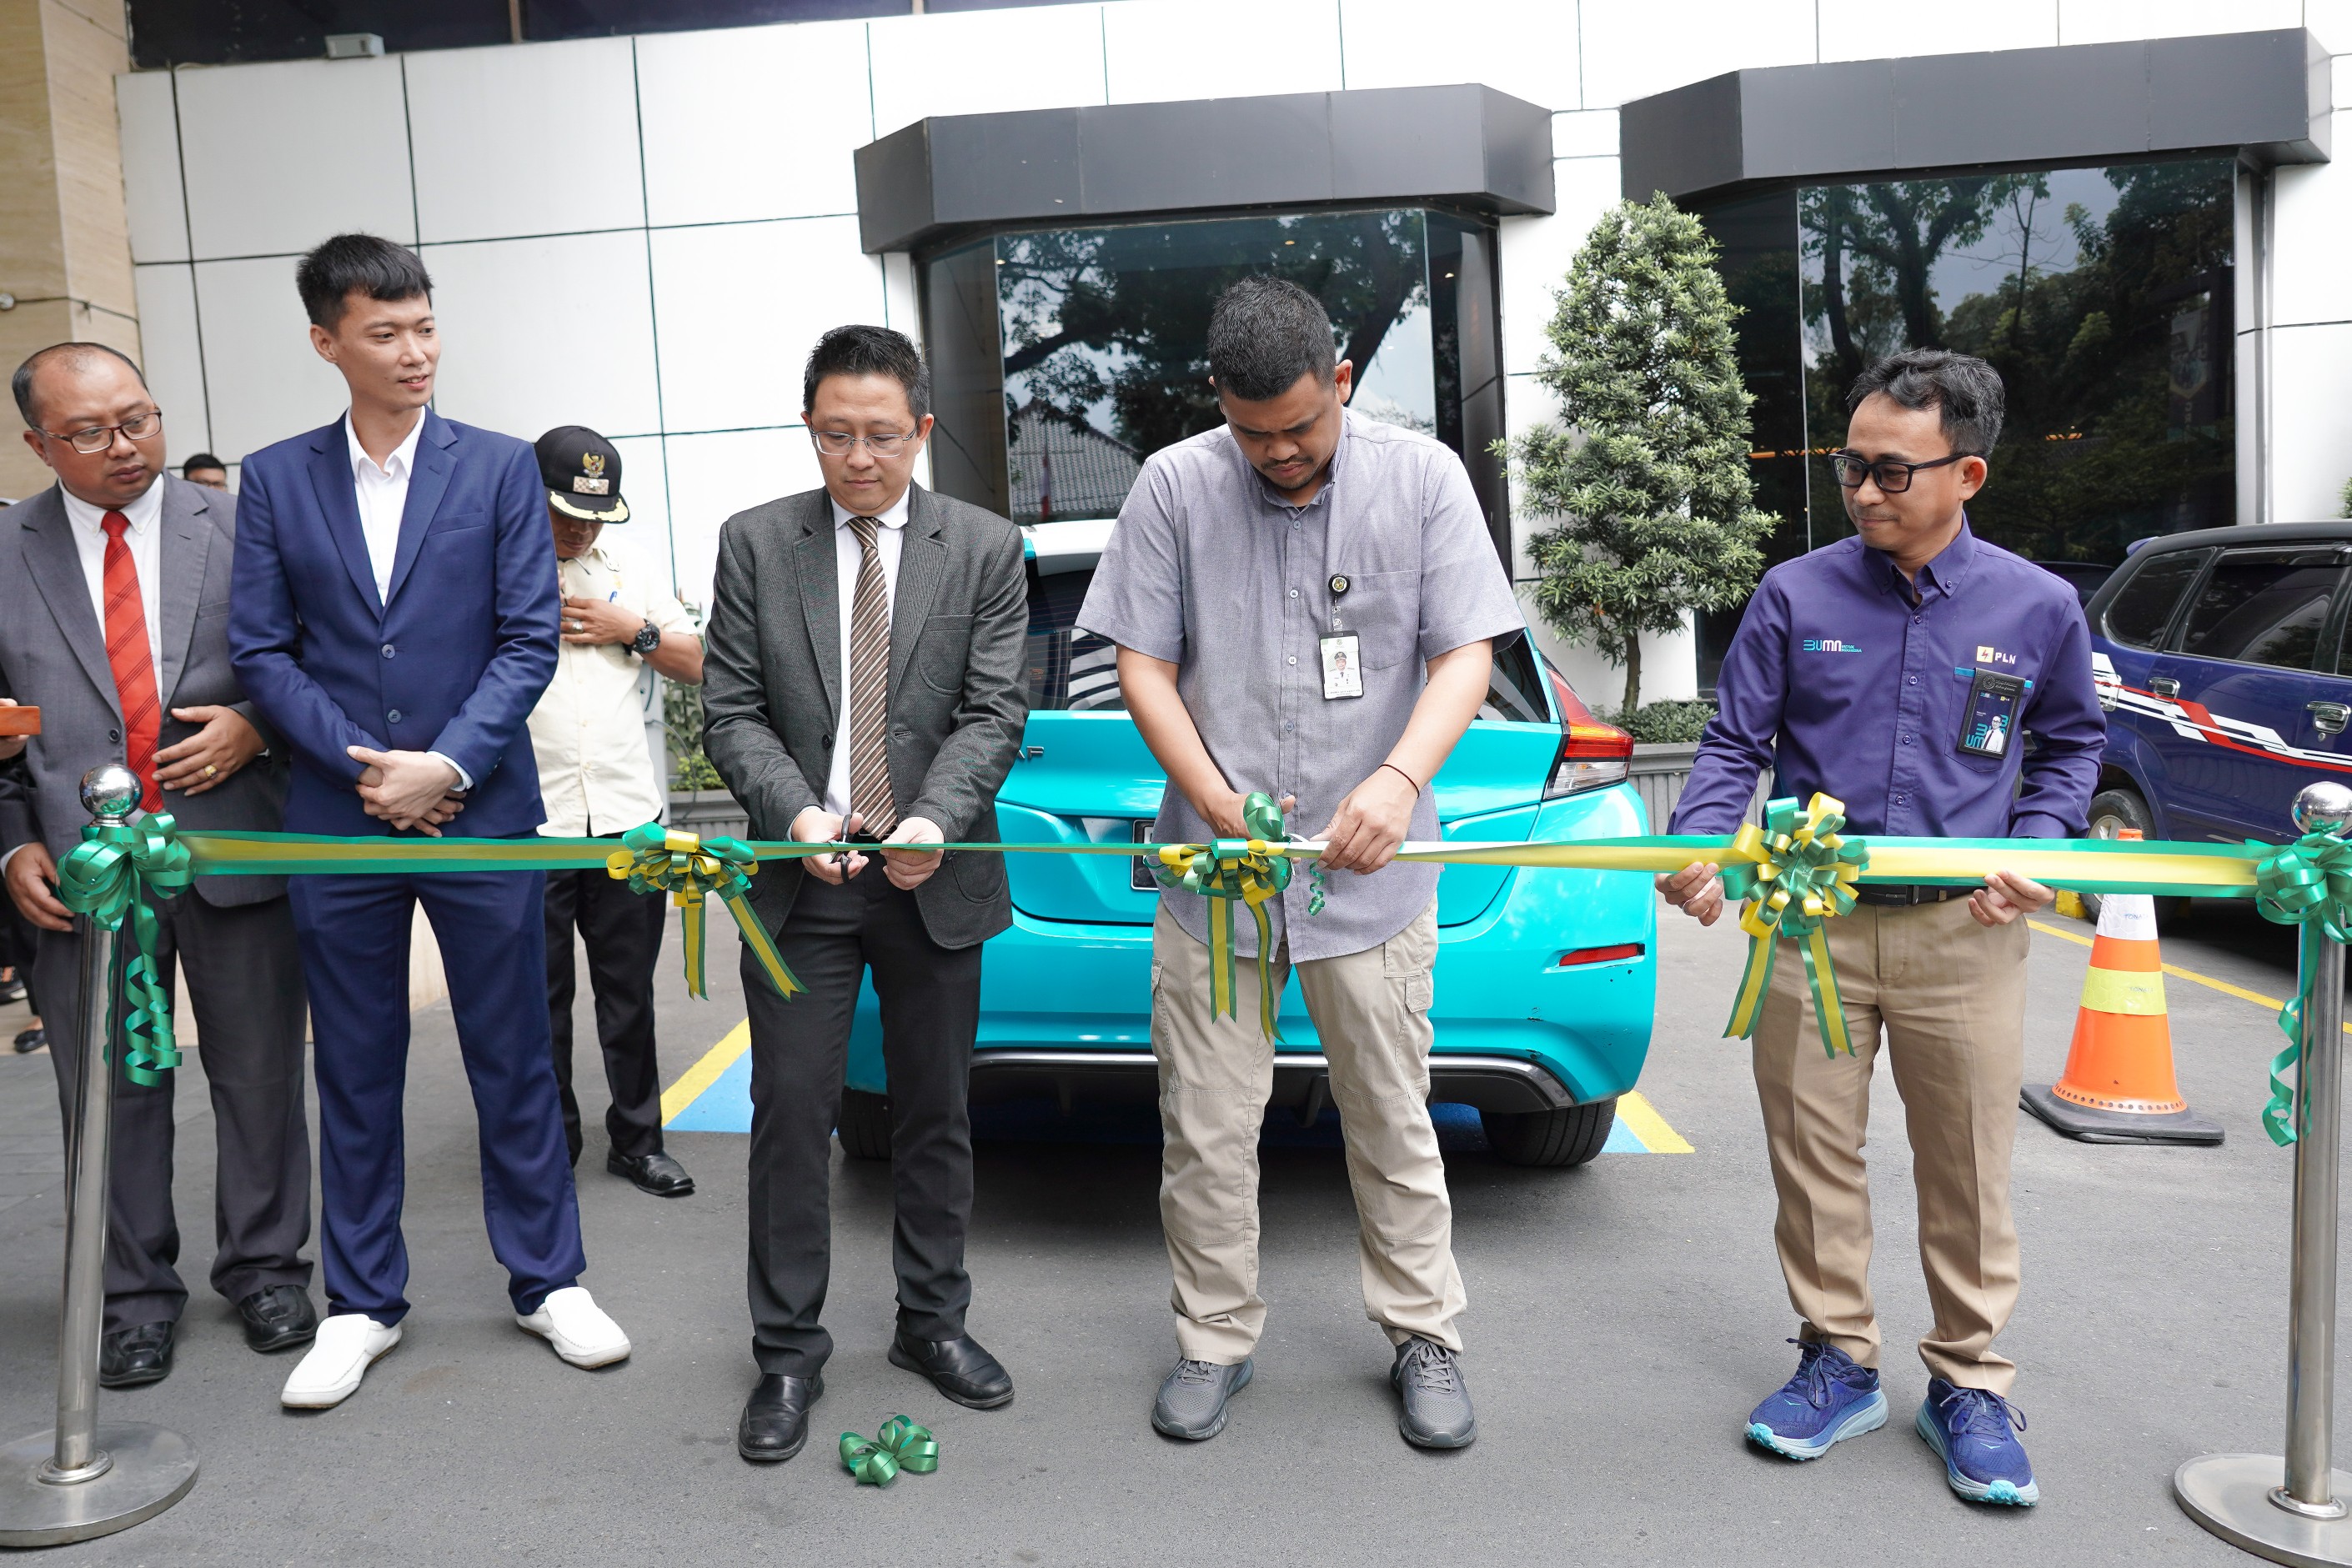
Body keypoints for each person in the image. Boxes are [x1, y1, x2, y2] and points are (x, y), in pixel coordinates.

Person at [1077, 277, 1523, 1451]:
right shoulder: (1175, 484)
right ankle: (1213, 1338)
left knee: (1391, 1113)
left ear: (1338, 382)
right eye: (1250, 432)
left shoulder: (1423, 479)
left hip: (1369, 876)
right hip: (1213, 880)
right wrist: (1215, 799)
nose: (1276, 452)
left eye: (1298, 427)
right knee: (1207, 1124)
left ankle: (1425, 1333)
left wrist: (1397, 781)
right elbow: (1141, 667)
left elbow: (1464, 655)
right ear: (1218, 405)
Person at [1658, 349, 2104, 1507]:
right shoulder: (1795, 595)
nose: (1862, 490)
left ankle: (1967, 1380)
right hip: (1811, 927)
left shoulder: (2037, 606)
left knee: (1966, 1163)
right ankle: (1836, 1357)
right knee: (1813, 1159)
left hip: (1968, 930)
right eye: (1851, 465)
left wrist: (2042, 847)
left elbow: (2067, 749)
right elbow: (1729, 744)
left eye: (1890, 471)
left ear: (1967, 472)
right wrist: (1697, 843)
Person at [229, 233, 629, 1410]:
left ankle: (549, 1278)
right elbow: (261, 648)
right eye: (385, 333)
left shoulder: (502, 469)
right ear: (327, 341)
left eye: (426, 328)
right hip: (337, 814)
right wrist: (368, 767)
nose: (415, 352)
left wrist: (445, 761)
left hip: (481, 811)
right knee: (355, 1063)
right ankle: (360, 1303)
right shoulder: (276, 476)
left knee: (515, 1054)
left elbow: (527, 637)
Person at [702, 324, 1028, 1464]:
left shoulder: (983, 546)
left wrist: (935, 819)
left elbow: (993, 711)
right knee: (795, 1114)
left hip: (930, 874)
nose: (857, 458)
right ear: (810, 427)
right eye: (835, 434)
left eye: (880, 436)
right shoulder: (756, 543)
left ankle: (932, 1324)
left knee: (936, 1113)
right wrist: (796, 814)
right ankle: (787, 1352)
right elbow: (730, 710)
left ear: (920, 431)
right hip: (803, 879)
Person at [0, 342, 316, 1385]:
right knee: (110, 1089)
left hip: (231, 847)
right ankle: (133, 1295)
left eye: (137, 419)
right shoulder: (6, 550)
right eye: (88, 433)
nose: (123, 446)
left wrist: (256, 726)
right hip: (81, 874)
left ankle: (267, 1266)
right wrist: (11, 845)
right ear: (38, 442)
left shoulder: (241, 525)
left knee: (259, 1072)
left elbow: (317, 666)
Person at [524, 424, 702, 1197]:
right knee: (538, 996)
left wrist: (632, 629)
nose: (579, 527)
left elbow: (700, 661)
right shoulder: (490, 566)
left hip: (629, 816)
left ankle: (637, 1138)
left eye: (594, 513)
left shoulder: (631, 568)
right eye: (565, 510)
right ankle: (550, 1141)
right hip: (529, 824)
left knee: (629, 992)